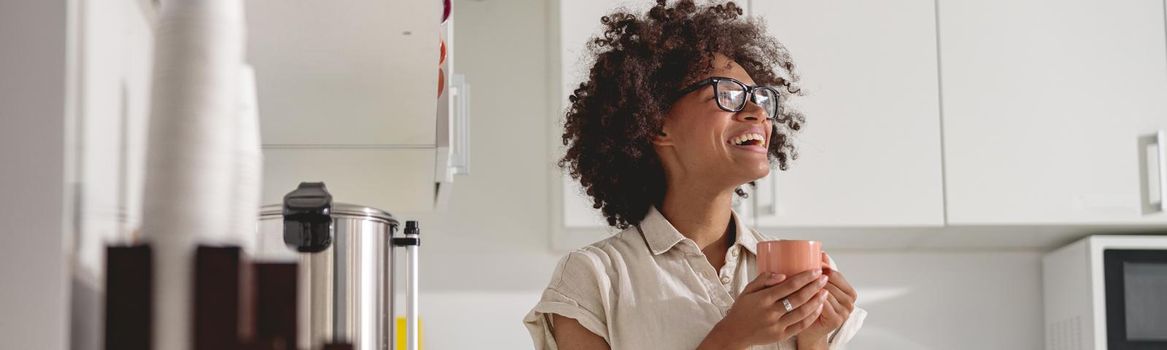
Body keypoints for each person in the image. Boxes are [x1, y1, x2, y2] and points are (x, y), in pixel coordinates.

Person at [524, 1, 866, 349]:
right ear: (657, 123)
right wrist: (731, 338)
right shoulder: (593, 278)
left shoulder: (799, 272)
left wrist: (813, 339)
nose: (757, 112)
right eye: (729, 95)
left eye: (760, 97)